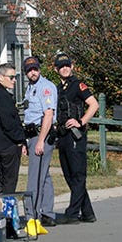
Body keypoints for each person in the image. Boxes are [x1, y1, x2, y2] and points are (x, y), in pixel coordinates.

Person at [53, 53, 99, 224]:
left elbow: (94, 104)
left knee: (78, 175)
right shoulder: (58, 88)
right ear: (56, 69)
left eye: (67, 65)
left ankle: (72, 213)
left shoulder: (78, 85)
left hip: (76, 136)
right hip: (63, 136)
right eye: (61, 66)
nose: (65, 68)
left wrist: (80, 121)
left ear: (72, 67)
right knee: (69, 175)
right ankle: (87, 213)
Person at [22, 55, 57, 228]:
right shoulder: (30, 88)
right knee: (44, 176)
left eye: (35, 69)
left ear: (39, 69)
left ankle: (32, 215)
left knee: (34, 177)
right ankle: (48, 213)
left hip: (41, 135)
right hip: (32, 135)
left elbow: (48, 115)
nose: (32, 72)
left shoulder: (45, 88)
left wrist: (40, 141)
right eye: (29, 70)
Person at [0, 62, 27, 197]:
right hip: (8, 146)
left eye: (15, 77)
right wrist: (21, 140)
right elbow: (9, 123)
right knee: (9, 182)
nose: (14, 81)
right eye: (11, 77)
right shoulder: (2, 96)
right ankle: (8, 215)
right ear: (1, 77)